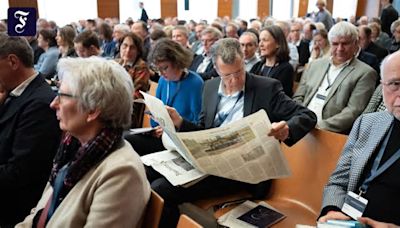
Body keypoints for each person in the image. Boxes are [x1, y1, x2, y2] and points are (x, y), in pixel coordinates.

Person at [148, 38, 317, 227]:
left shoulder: (266, 88)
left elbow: (307, 115)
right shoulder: (210, 88)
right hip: (209, 163)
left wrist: (288, 128)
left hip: (242, 173)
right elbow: (203, 131)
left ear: (244, 60)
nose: (235, 80)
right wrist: (180, 122)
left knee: (161, 189)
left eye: (239, 72)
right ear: (217, 69)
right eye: (227, 75)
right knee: (146, 172)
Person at [16, 57, 151, 227]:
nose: (53, 104)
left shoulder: (122, 173)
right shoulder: (74, 148)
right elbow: (38, 216)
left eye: (62, 96)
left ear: (92, 110)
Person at [318, 50, 400, 226]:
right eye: (395, 84)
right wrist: (333, 210)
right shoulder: (367, 123)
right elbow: (338, 182)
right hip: (350, 221)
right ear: (382, 86)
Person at [0, 33, 61, 227]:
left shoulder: (39, 104)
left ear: (12, 61)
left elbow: (19, 174)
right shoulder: (15, 93)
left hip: (14, 205)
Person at [293, 21, 377, 134]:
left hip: (330, 134)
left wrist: (317, 126)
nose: (340, 49)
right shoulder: (314, 65)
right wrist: (299, 120)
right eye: (335, 44)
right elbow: (298, 97)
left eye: (345, 43)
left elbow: (353, 111)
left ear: (356, 44)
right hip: (301, 126)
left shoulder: (365, 73)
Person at [116, 32, 151, 128]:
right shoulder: (117, 63)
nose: (127, 50)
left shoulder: (141, 67)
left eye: (132, 47)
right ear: (120, 47)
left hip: (129, 113)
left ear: (138, 51)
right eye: (125, 46)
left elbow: (137, 95)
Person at [253, 25, 294, 97]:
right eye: (260, 40)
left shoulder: (286, 69)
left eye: (265, 40)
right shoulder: (258, 66)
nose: (261, 44)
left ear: (278, 43)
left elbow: (277, 96)